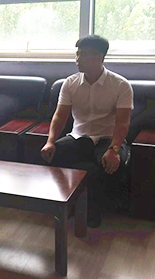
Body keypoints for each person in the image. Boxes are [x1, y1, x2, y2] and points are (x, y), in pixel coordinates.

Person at [40, 35, 133, 228]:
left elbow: (123, 123)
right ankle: (65, 204)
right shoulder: (70, 83)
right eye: (77, 54)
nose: (77, 59)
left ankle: (92, 212)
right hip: (79, 137)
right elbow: (60, 116)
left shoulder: (121, 85)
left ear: (99, 57)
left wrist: (114, 149)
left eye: (83, 54)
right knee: (51, 154)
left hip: (108, 138)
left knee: (108, 165)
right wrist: (50, 141)